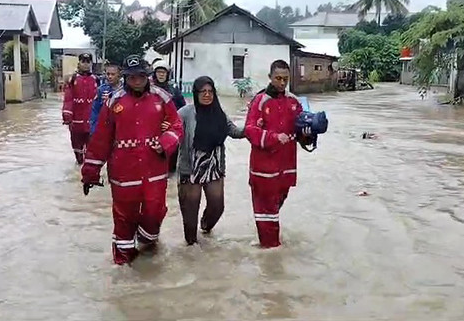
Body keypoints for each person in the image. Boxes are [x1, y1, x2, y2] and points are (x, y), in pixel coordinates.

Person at [81, 55, 184, 266]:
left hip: (154, 169)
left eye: (140, 77)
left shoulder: (162, 98)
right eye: (131, 77)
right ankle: (123, 266)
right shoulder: (114, 102)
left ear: (147, 76)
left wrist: (165, 143)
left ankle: (147, 242)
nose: (136, 81)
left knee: (155, 212)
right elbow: (101, 138)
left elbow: (176, 125)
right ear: (125, 77)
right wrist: (90, 172)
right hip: (123, 171)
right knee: (123, 217)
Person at [167, 76, 244, 246]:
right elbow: (171, 132)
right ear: (196, 93)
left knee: (217, 206)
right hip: (191, 168)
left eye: (210, 91)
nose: (207, 95)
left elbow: (235, 131)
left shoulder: (219, 113)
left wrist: (254, 125)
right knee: (190, 217)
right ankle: (191, 250)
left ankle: (206, 227)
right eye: (203, 91)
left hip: (214, 167)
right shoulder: (185, 113)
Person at [244, 60, 312, 248]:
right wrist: (273, 137)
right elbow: (249, 130)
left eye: (285, 79)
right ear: (270, 77)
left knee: (274, 208)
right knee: (267, 213)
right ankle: (271, 256)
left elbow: (301, 132)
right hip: (263, 169)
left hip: (286, 168)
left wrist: (308, 135)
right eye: (278, 78)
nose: (282, 83)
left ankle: (267, 246)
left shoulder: (294, 102)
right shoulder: (260, 101)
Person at [62, 53, 99, 164]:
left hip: (91, 121)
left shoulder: (96, 79)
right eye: (83, 62)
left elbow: (100, 100)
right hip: (76, 121)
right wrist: (67, 115)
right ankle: (79, 166)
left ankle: (88, 169)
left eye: (88, 62)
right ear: (79, 63)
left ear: (91, 64)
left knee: (92, 148)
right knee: (77, 146)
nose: (86, 64)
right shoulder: (72, 79)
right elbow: (68, 99)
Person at [90, 62, 123, 135]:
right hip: (105, 126)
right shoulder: (101, 90)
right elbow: (95, 110)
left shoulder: (125, 90)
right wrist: (93, 130)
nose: (110, 77)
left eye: (113, 74)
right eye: (108, 74)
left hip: (121, 126)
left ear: (119, 75)